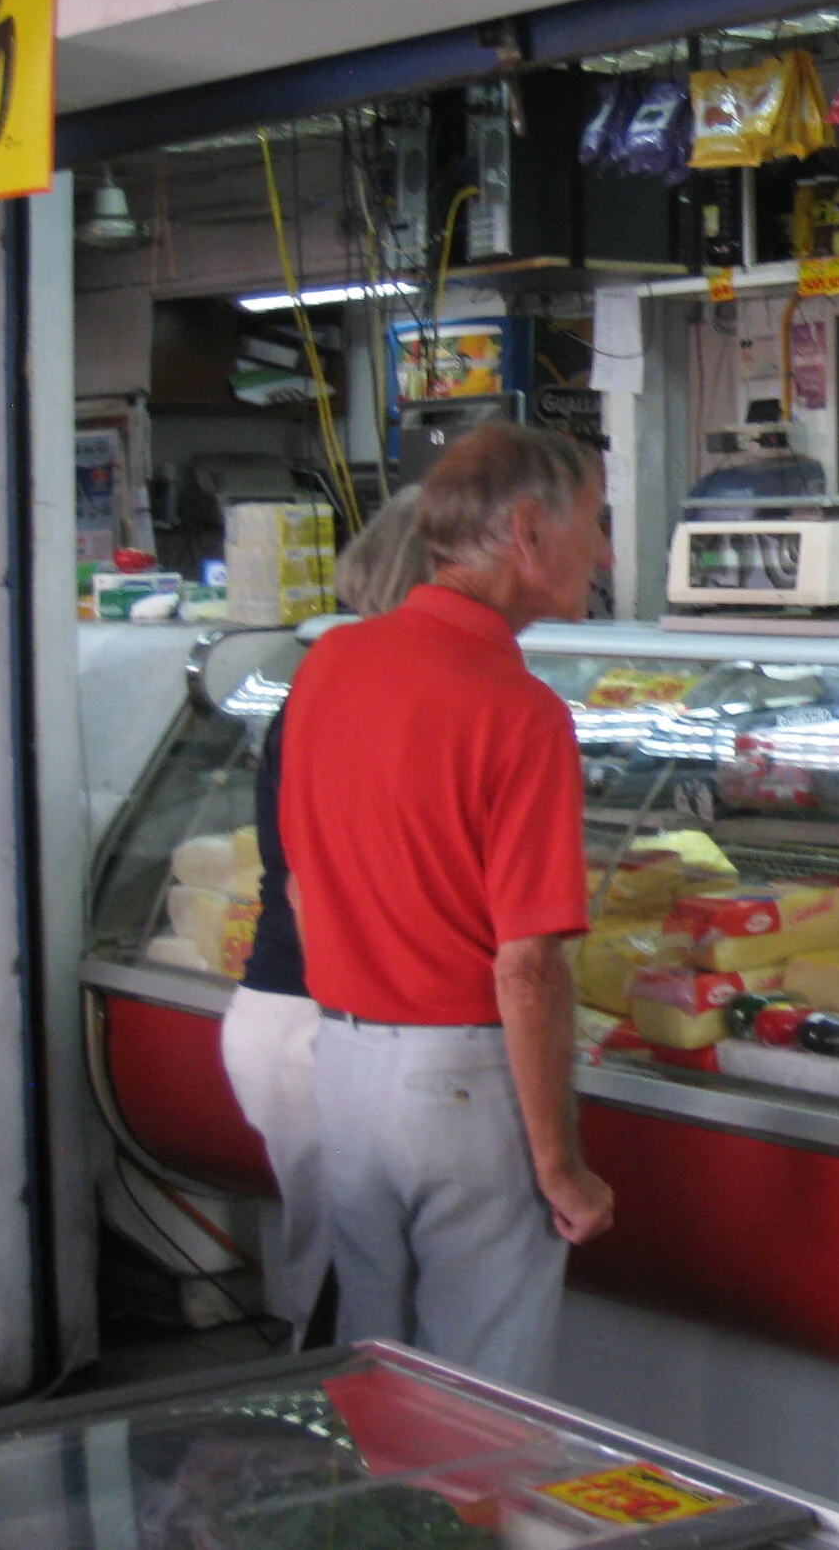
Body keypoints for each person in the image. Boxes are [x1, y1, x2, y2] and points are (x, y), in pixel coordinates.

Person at [282, 426, 614, 1389]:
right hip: (462, 1082)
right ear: (524, 530)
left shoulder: (328, 666)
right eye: (593, 522)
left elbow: (305, 885)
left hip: (344, 1065)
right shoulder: (517, 709)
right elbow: (527, 964)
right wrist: (559, 1164)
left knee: (378, 1370)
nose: (604, 552)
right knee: (484, 1395)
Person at [219, 487, 430, 1347]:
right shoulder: (359, 687)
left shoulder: (341, 677)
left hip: (303, 1013)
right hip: (317, 1018)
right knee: (350, 1300)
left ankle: (358, 1462)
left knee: (345, 1283)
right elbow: (325, 883)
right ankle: (342, 1468)